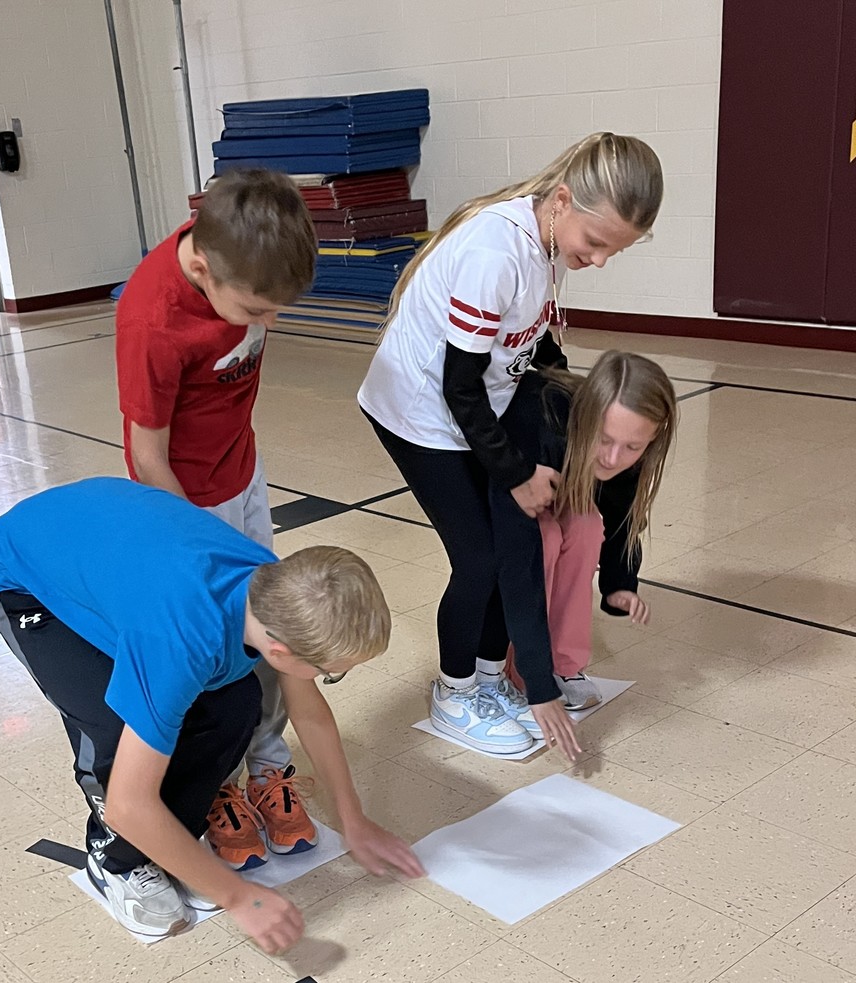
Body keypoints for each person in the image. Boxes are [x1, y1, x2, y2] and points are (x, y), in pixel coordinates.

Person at [0, 477, 424, 952]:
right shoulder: (178, 641)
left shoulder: (283, 592)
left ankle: (173, 843)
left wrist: (353, 819)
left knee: (237, 705)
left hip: (109, 551)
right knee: (114, 725)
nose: (327, 679)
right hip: (24, 579)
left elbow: (308, 712)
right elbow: (128, 802)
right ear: (279, 648)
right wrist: (238, 896)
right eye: (331, 673)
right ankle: (116, 863)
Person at [357, 132, 664, 758]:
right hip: (421, 414)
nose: (601, 260)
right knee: (480, 558)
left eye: (616, 252)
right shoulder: (496, 253)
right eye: (597, 243)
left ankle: (492, 678)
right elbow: (459, 387)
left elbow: (534, 347)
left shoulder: (549, 244)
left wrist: (580, 407)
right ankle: (454, 692)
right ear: (562, 201)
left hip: (473, 409)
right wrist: (517, 473)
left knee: (507, 549)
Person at [115, 168, 319, 871]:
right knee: (211, 652)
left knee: (269, 634)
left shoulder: (241, 264)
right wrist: (196, 550)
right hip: (182, 501)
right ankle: (218, 789)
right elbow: (147, 452)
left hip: (242, 475)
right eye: (256, 308)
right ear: (202, 267)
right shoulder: (154, 318)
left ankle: (268, 767)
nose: (268, 323)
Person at [493, 352, 678, 761]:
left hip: (555, 492)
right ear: (589, 417)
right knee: (544, 540)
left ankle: (564, 662)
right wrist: (538, 685)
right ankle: (519, 668)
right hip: (503, 489)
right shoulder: (545, 422)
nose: (613, 458)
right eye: (605, 440)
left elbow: (622, 521)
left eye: (632, 446)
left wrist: (619, 585)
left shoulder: (628, 459)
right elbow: (517, 564)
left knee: (586, 527)